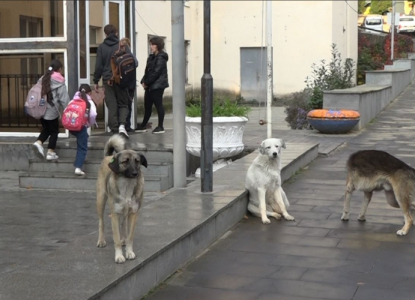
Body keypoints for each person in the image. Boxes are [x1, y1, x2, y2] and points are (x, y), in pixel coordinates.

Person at [93, 24, 130, 137]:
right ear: (116, 33)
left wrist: (96, 80)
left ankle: (114, 129)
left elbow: (99, 66)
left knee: (111, 104)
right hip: (121, 79)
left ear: (105, 34)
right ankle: (122, 126)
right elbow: (132, 61)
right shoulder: (122, 46)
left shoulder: (102, 47)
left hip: (108, 80)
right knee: (123, 103)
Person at [32, 59, 70, 160]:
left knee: (47, 129)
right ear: (60, 69)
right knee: (54, 131)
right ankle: (50, 152)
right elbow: (64, 99)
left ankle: (38, 143)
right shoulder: (59, 81)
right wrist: (68, 109)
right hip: (51, 111)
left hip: (40, 109)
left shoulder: (42, 79)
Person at [135, 36, 169, 134]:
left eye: (152, 44)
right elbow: (148, 71)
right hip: (150, 85)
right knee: (147, 105)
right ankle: (143, 125)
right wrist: (143, 81)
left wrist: (147, 82)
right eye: (150, 44)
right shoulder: (151, 57)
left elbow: (156, 73)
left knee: (158, 105)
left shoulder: (161, 57)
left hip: (157, 85)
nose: (151, 47)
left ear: (157, 46)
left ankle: (160, 126)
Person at [69, 84, 97, 176]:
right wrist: (89, 124)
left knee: (82, 139)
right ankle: (78, 167)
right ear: (90, 93)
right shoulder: (89, 102)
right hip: (81, 127)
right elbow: (92, 115)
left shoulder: (73, 100)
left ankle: (84, 137)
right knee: (82, 147)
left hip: (71, 127)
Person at [120, 37, 138, 132]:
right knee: (126, 106)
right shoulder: (122, 56)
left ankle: (126, 125)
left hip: (127, 85)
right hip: (127, 85)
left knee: (127, 105)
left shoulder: (129, 56)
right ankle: (125, 125)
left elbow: (136, 63)